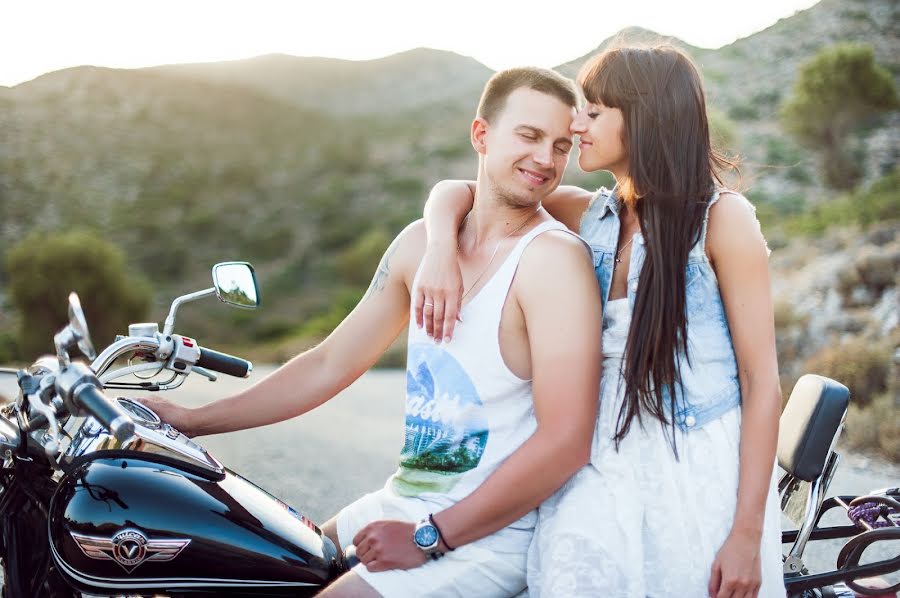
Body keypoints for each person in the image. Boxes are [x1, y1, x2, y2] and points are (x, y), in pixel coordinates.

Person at [140, 67, 602, 598]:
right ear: (481, 135)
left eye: (561, 145)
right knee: (239, 567)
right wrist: (192, 422)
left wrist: (432, 537)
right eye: (529, 135)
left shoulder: (552, 261)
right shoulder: (420, 245)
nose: (546, 158)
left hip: (485, 539)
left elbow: (566, 441)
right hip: (401, 503)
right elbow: (329, 363)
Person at [419, 45, 785, 598]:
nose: (576, 122)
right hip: (599, 457)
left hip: (694, 472)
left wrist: (748, 534)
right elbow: (461, 192)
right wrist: (438, 248)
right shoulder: (590, 213)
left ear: (644, 118)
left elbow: (762, 385)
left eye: (594, 110)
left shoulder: (722, 220)